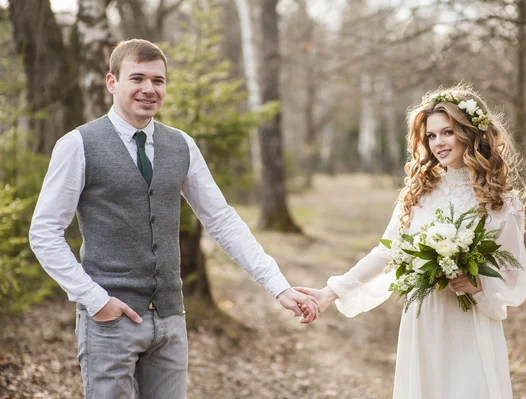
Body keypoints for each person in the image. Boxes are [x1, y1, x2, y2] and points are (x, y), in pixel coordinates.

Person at [29, 38, 319, 399]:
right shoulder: (78, 144)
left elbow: (222, 221)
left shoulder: (181, 145)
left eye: (158, 81)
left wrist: (279, 286)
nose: (149, 89)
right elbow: (44, 232)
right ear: (111, 82)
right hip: (109, 321)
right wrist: (94, 299)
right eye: (137, 78)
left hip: (169, 319)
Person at [296, 84, 526, 399]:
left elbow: (514, 273)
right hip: (423, 318)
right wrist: (329, 293)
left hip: (469, 319)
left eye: (447, 132)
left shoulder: (501, 201)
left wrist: (479, 284)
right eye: (431, 136)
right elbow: (387, 252)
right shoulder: (419, 194)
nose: (438, 143)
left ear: (471, 132)